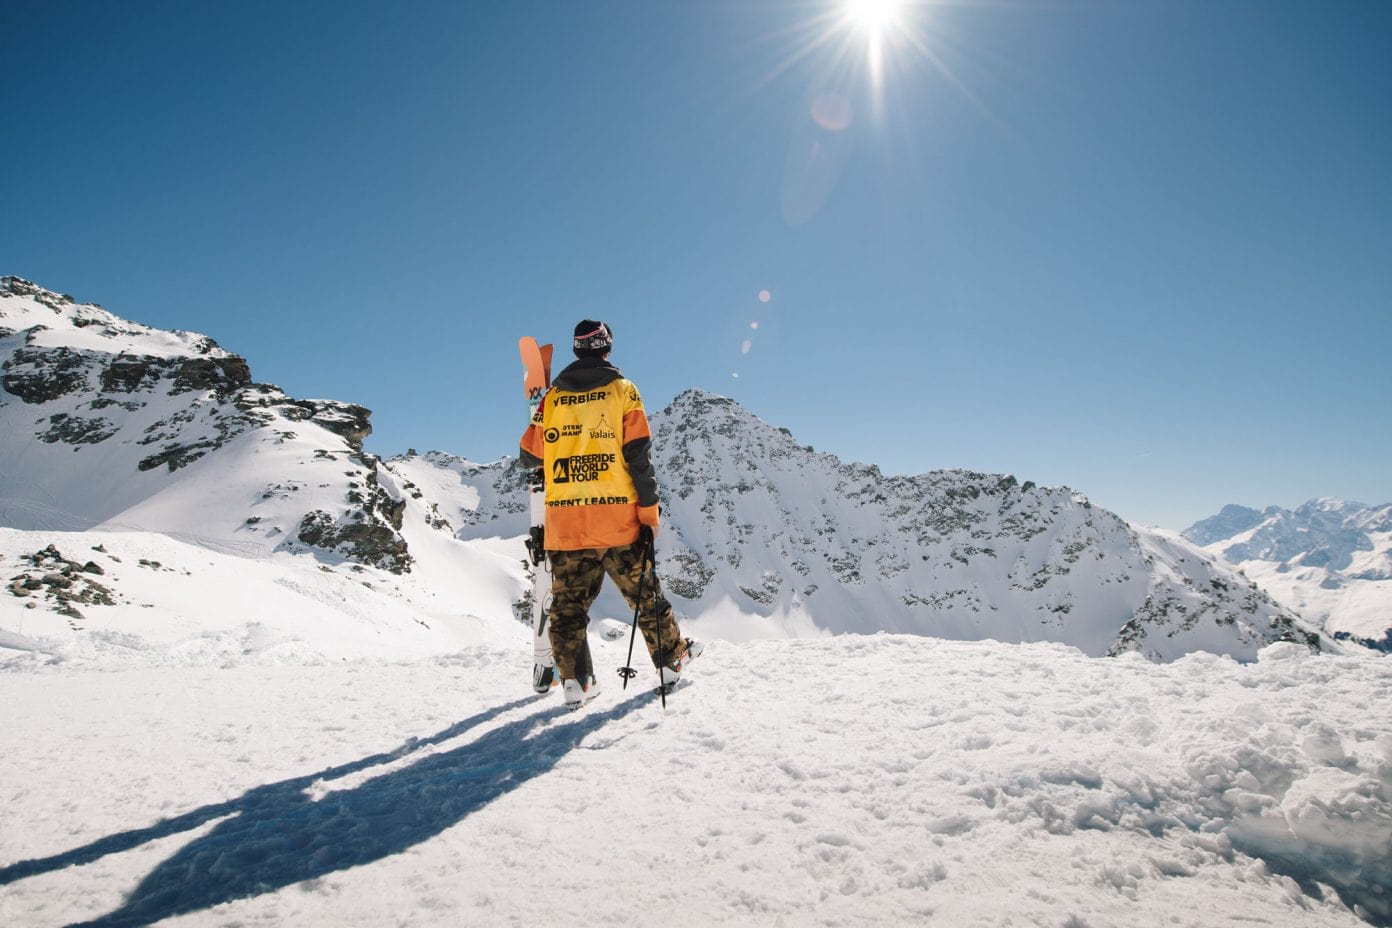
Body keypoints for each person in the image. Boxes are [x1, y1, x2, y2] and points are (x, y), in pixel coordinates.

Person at [519, 320, 701, 709]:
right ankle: (671, 662)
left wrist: (545, 422)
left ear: (575, 349)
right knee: (645, 597)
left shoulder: (551, 400)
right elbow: (639, 456)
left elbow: (529, 455)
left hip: (566, 524)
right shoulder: (623, 391)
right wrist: (649, 511)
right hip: (617, 520)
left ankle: (574, 683)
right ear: (607, 347)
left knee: (568, 607)